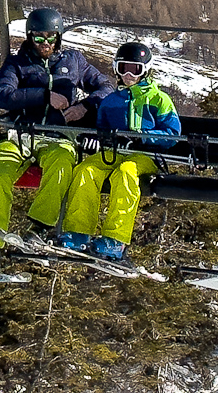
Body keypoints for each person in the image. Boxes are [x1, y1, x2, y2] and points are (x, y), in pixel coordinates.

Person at [0, 8, 114, 278]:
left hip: (57, 136)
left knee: (62, 163)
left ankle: (38, 227)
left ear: (58, 38)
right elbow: (3, 96)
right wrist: (44, 96)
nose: (45, 44)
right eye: (38, 39)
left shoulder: (74, 61)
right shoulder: (17, 63)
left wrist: (84, 107)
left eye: (50, 38)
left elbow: (105, 87)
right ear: (29, 37)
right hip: (21, 135)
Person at [60, 41, 182, 261]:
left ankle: (115, 239)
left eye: (134, 69)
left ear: (145, 70)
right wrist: (94, 141)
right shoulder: (111, 101)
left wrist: (144, 135)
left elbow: (173, 134)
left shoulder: (158, 99)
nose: (128, 74)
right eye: (122, 68)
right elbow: (102, 131)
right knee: (85, 170)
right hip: (113, 153)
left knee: (126, 173)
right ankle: (78, 233)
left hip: (144, 156)